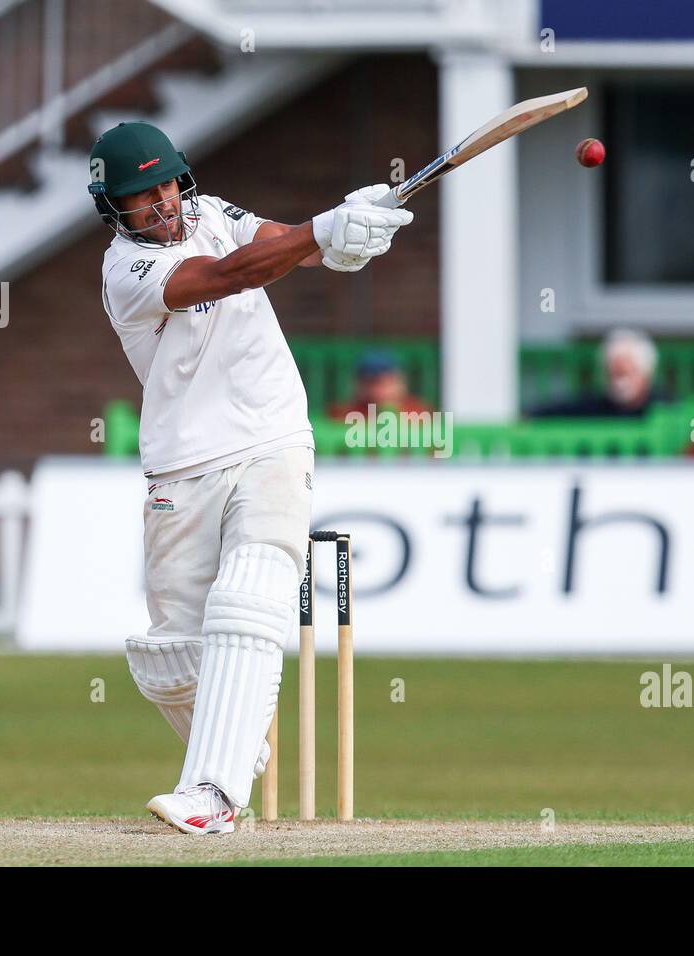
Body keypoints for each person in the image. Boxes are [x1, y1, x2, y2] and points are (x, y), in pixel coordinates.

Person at [91, 121, 413, 834]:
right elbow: (230, 276)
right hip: (181, 462)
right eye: (141, 196)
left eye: (168, 184)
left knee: (252, 587)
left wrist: (339, 239)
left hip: (271, 434)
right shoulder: (126, 272)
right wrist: (323, 231)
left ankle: (212, 793)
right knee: (169, 655)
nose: (163, 203)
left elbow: (271, 245)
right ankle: (237, 746)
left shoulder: (210, 213)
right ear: (114, 209)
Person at [531, 328, 666, 418]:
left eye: (626, 373)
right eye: (614, 373)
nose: (620, 382)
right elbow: (560, 409)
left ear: (646, 375)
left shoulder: (663, 407)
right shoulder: (596, 406)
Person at [328, 351, 432, 420]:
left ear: (400, 382)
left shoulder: (419, 413)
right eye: (369, 383)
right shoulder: (343, 414)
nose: (377, 391)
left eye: (385, 383)